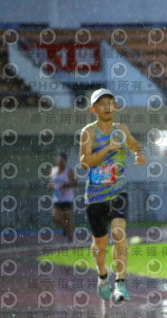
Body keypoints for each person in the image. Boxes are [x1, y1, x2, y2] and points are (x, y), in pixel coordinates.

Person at [79, 88, 145, 302]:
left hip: (118, 191)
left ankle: (121, 283)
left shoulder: (121, 130)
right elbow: (85, 162)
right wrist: (108, 148)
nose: (106, 107)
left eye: (109, 102)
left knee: (118, 233)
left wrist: (139, 154)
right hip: (95, 197)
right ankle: (102, 276)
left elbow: (134, 145)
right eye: (101, 104)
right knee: (99, 245)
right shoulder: (88, 132)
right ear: (93, 109)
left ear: (114, 106)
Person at [48, 152, 77, 241]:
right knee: (55, 217)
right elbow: (51, 182)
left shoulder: (69, 171)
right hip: (57, 198)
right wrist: (50, 186)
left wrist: (66, 185)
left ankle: (70, 238)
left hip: (67, 198)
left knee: (67, 218)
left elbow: (75, 184)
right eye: (58, 160)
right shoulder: (52, 170)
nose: (60, 162)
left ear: (65, 161)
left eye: (62, 160)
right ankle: (66, 226)